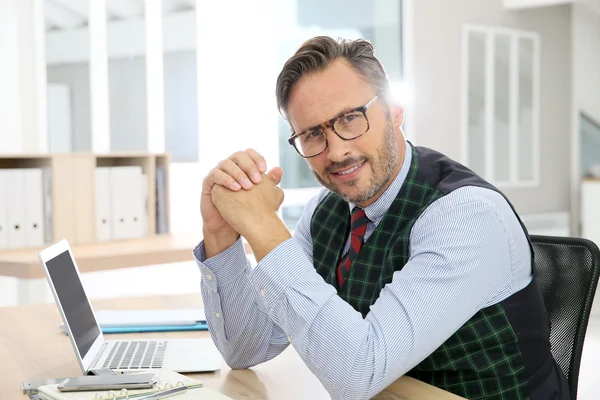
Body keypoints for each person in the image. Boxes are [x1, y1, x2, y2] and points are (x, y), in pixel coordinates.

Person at [194, 36, 569, 400]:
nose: (337, 150)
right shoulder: (326, 212)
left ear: (395, 109)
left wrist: (263, 227)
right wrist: (220, 233)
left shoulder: (467, 215)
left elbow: (359, 373)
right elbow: (246, 349)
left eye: (350, 118)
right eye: (312, 134)